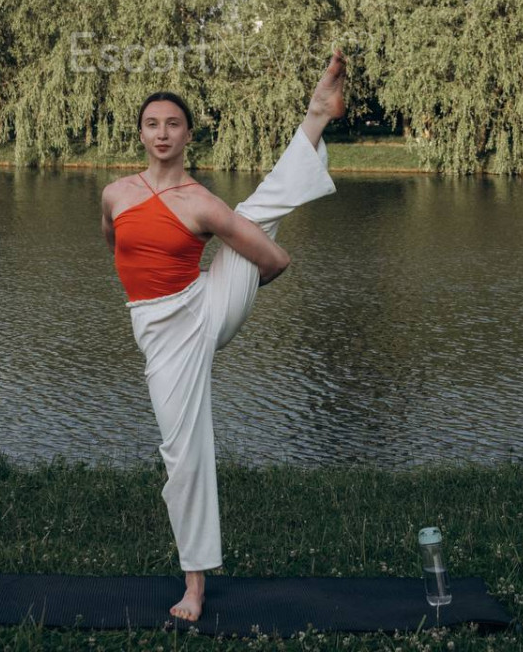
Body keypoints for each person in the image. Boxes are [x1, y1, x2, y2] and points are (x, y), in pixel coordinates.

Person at [101, 50, 346, 622]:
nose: (163, 133)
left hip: (206, 307)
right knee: (178, 450)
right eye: (153, 124)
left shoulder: (202, 203)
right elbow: (114, 245)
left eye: (174, 124)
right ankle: (316, 114)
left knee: (256, 213)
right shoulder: (115, 194)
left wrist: (233, 289)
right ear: (141, 133)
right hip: (157, 328)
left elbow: (276, 261)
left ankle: (195, 585)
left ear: (189, 135)